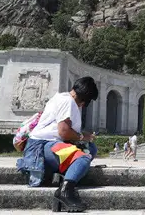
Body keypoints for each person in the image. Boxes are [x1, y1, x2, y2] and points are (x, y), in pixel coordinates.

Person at [17, 77, 99, 212]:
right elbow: (64, 132)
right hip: (43, 146)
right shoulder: (68, 102)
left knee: (90, 148)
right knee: (83, 156)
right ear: (85, 96)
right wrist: (83, 136)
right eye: (87, 101)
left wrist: (83, 138)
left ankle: (64, 172)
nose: (84, 105)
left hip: (46, 145)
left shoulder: (61, 97)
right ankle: (65, 191)